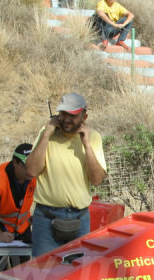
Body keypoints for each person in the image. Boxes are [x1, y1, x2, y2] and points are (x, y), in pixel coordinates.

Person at [25, 92, 107, 257]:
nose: (66, 119)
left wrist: (87, 145)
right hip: (46, 218)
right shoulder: (46, 133)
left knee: (77, 270)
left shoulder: (94, 137)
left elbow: (97, 180)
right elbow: (31, 171)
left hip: (79, 218)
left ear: (84, 117)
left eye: (72, 115)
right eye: (63, 114)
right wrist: (46, 135)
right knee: (43, 270)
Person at [0, 143, 35, 244]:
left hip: (21, 227)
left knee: (28, 254)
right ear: (15, 162)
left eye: (33, 164)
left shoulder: (36, 175)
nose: (31, 169)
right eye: (26, 165)